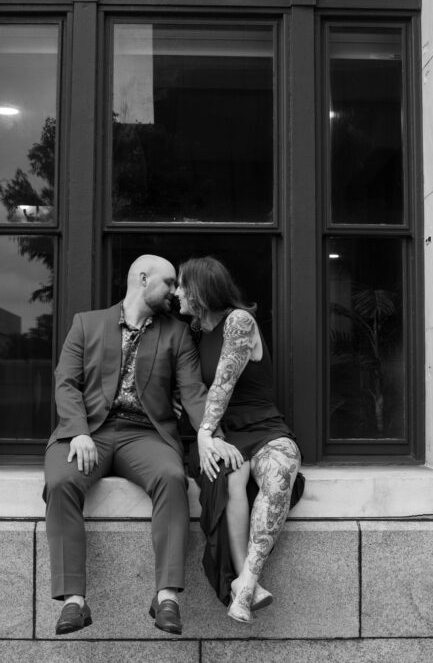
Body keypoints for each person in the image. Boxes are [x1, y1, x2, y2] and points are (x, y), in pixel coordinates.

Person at [44, 254, 221, 636]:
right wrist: (77, 431)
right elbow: (65, 382)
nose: (176, 292)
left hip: (146, 434)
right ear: (143, 279)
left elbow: (193, 393)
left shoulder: (176, 333)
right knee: (61, 482)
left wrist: (210, 437)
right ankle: (74, 601)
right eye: (169, 282)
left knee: (173, 478)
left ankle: (167, 596)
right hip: (89, 431)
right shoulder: (86, 324)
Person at [174, 256, 304, 625]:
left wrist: (203, 434)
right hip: (227, 434)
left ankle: (246, 581)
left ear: (200, 289)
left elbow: (224, 382)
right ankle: (246, 587)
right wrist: (212, 435)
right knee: (231, 475)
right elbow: (191, 385)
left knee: (281, 471)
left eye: (182, 285)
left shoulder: (239, 320)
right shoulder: (195, 332)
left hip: (264, 427)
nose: (177, 292)